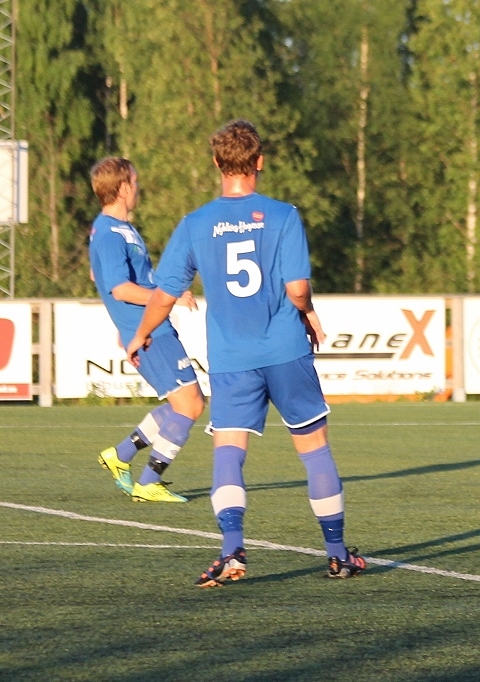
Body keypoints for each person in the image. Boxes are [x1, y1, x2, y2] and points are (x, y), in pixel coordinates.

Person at [125, 119, 365, 586]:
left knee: (229, 453)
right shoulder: (283, 215)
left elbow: (164, 294)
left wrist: (140, 335)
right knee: (314, 449)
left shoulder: (195, 223)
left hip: (232, 359)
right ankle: (337, 555)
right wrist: (309, 313)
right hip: (285, 350)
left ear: (217, 163)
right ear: (259, 162)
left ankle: (232, 550)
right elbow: (297, 289)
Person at [89, 157, 206, 503]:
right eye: (135, 182)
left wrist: (130, 320)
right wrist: (167, 298)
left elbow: (100, 276)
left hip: (150, 326)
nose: (138, 188)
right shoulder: (108, 232)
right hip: (151, 333)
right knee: (191, 405)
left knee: (183, 402)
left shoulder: (118, 228)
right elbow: (119, 288)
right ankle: (148, 482)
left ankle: (120, 455)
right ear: (123, 188)